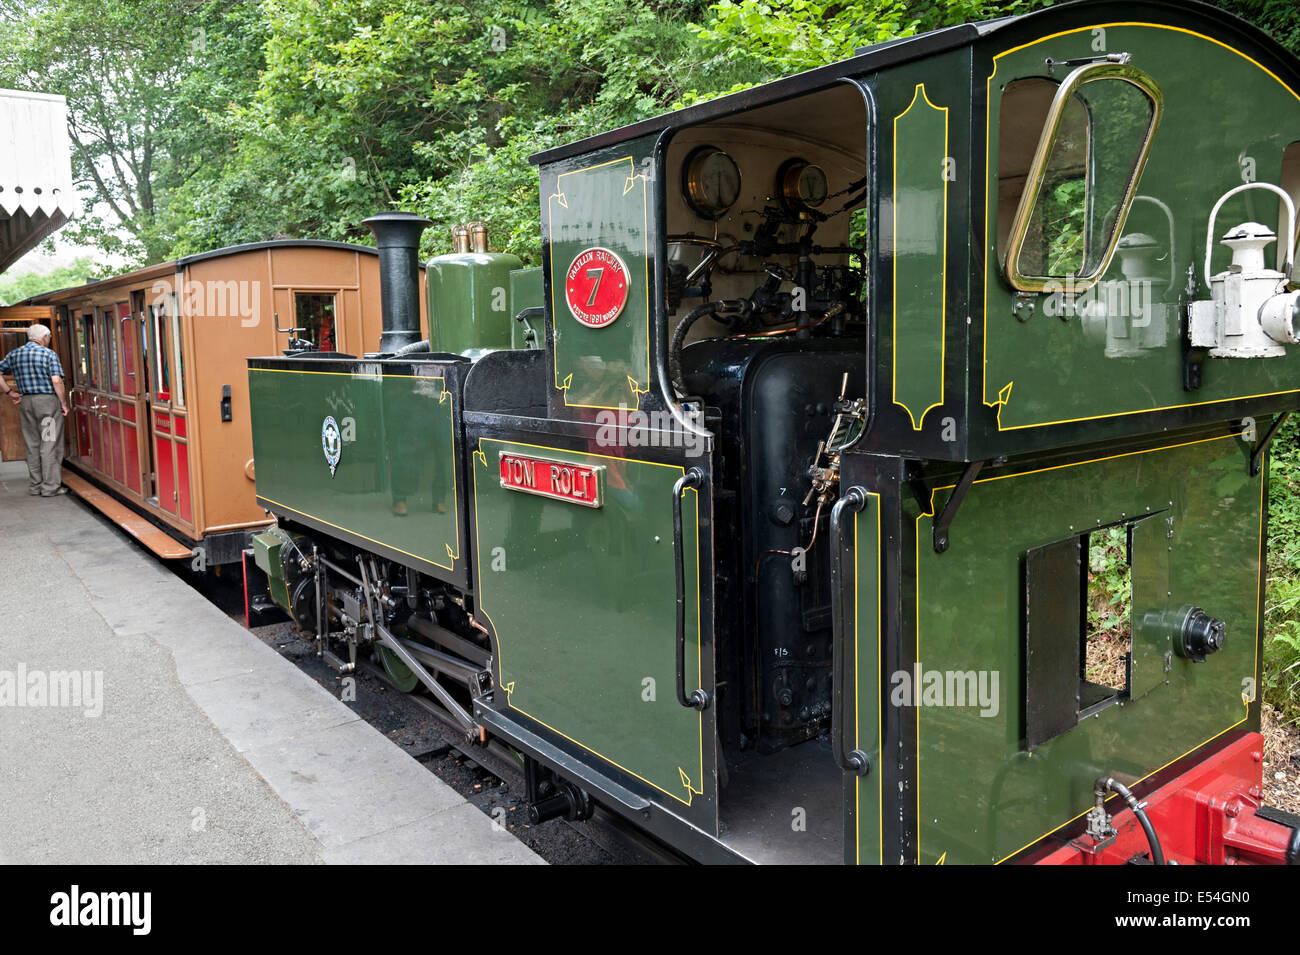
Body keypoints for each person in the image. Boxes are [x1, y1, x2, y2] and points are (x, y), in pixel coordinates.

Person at [0, 324, 69, 496]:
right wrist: (63, 403)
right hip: (47, 404)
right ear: (44, 337)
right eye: (49, 337)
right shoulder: (48, 354)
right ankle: (50, 487)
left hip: (26, 402)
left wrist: (9, 392)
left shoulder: (14, 354)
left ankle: (35, 485)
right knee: (49, 442)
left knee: (32, 444)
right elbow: (56, 380)